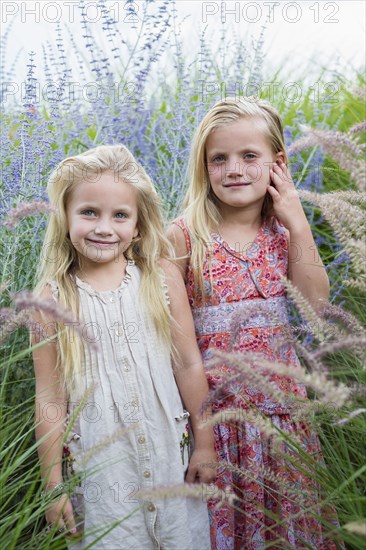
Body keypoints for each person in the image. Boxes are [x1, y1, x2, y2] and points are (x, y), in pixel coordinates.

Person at [168, 97, 342, 549]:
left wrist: (299, 225)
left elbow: (315, 307)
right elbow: (183, 353)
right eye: (219, 159)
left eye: (249, 156)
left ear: (277, 162)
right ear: (204, 168)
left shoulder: (284, 234)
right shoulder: (185, 238)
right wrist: (203, 440)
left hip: (284, 422)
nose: (234, 170)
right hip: (218, 427)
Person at [31, 144, 217, 549]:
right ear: (64, 217)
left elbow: (188, 364)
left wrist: (205, 443)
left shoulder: (160, 278)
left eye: (120, 215)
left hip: (171, 458)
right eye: (88, 212)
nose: (104, 227)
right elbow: (49, 397)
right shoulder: (51, 302)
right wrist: (53, 485)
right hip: (103, 470)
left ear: (137, 224)